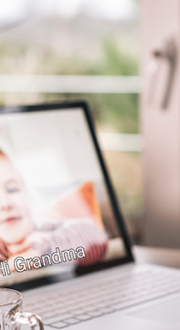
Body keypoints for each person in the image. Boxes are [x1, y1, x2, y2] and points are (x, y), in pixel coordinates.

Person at [0, 149, 108, 270]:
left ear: (28, 195)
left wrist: (38, 251)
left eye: (12, 189)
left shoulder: (42, 231)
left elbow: (94, 235)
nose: (5, 203)